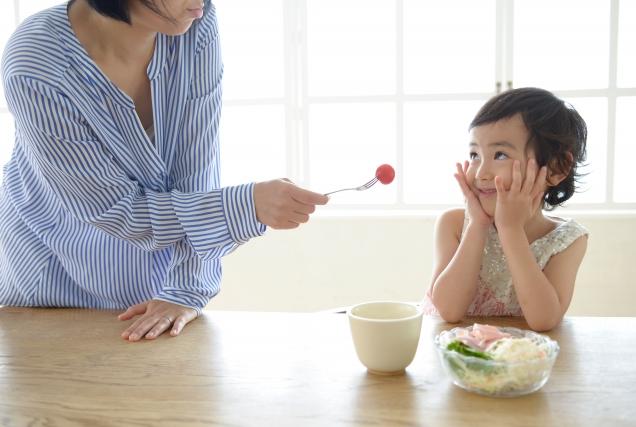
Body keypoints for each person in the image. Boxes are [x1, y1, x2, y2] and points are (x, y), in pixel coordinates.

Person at [0, 0, 328, 341]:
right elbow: (116, 210)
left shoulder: (194, 24)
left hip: (150, 292)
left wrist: (185, 289)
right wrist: (245, 205)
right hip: (50, 290)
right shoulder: (35, 63)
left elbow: (197, 174)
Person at [423, 87, 589, 331]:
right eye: (475, 154)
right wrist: (477, 226)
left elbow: (544, 320)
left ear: (556, 168)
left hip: (520, 360)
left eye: (500, 155)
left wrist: (510, 229)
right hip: (456, 357)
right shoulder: (454, 224)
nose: (480, 173)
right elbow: (449, 310)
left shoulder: (566, 240)